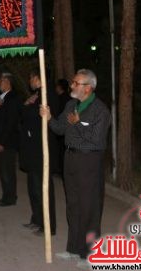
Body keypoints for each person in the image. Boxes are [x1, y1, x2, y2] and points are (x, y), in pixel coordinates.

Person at [40, 69, 110, 262]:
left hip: (89, 161)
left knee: (90, 207)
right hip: (70, 159)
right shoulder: (71, 104)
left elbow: (97, 140)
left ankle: (89, 253)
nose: (71, 85)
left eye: (75, 83)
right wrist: (49, 118)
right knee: (73, 205)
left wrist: (78, 124)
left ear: (87, 88)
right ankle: (73, 248)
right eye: (72, 82)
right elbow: (60, 128)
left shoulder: (100, 110)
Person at [19, 70, 57, 236]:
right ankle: (37, 219)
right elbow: (24, 114)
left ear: (40, 78)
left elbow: (33, 116)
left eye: (33, 77)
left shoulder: (47, 96)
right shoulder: (35, 95)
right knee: (34, 188)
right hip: (32, 149)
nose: (30, 80)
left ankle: (49, 225)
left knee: (44, 189)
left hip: (42, 150)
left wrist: (28, 107)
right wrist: (27, 105)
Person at [0, 72, 22, 207]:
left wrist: (1, 142)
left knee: (7, 170)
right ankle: (6, 195)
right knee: (3, 169)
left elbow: (10, 123)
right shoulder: (1, 97)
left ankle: (10, 197)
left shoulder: (13, 98)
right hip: (1, 138)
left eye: (1, 81)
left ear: (8, 82)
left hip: (7, 141)